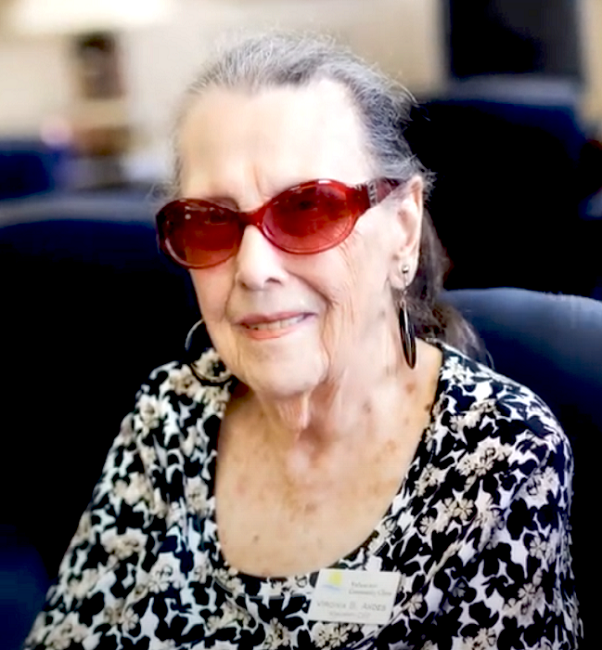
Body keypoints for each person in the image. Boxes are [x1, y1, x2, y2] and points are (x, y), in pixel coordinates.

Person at [25, 33, 582, 650]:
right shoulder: (169, 414)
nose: (253, 268)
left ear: (401, 229)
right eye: (210, 222)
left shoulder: (500, 460)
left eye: (309, 209)